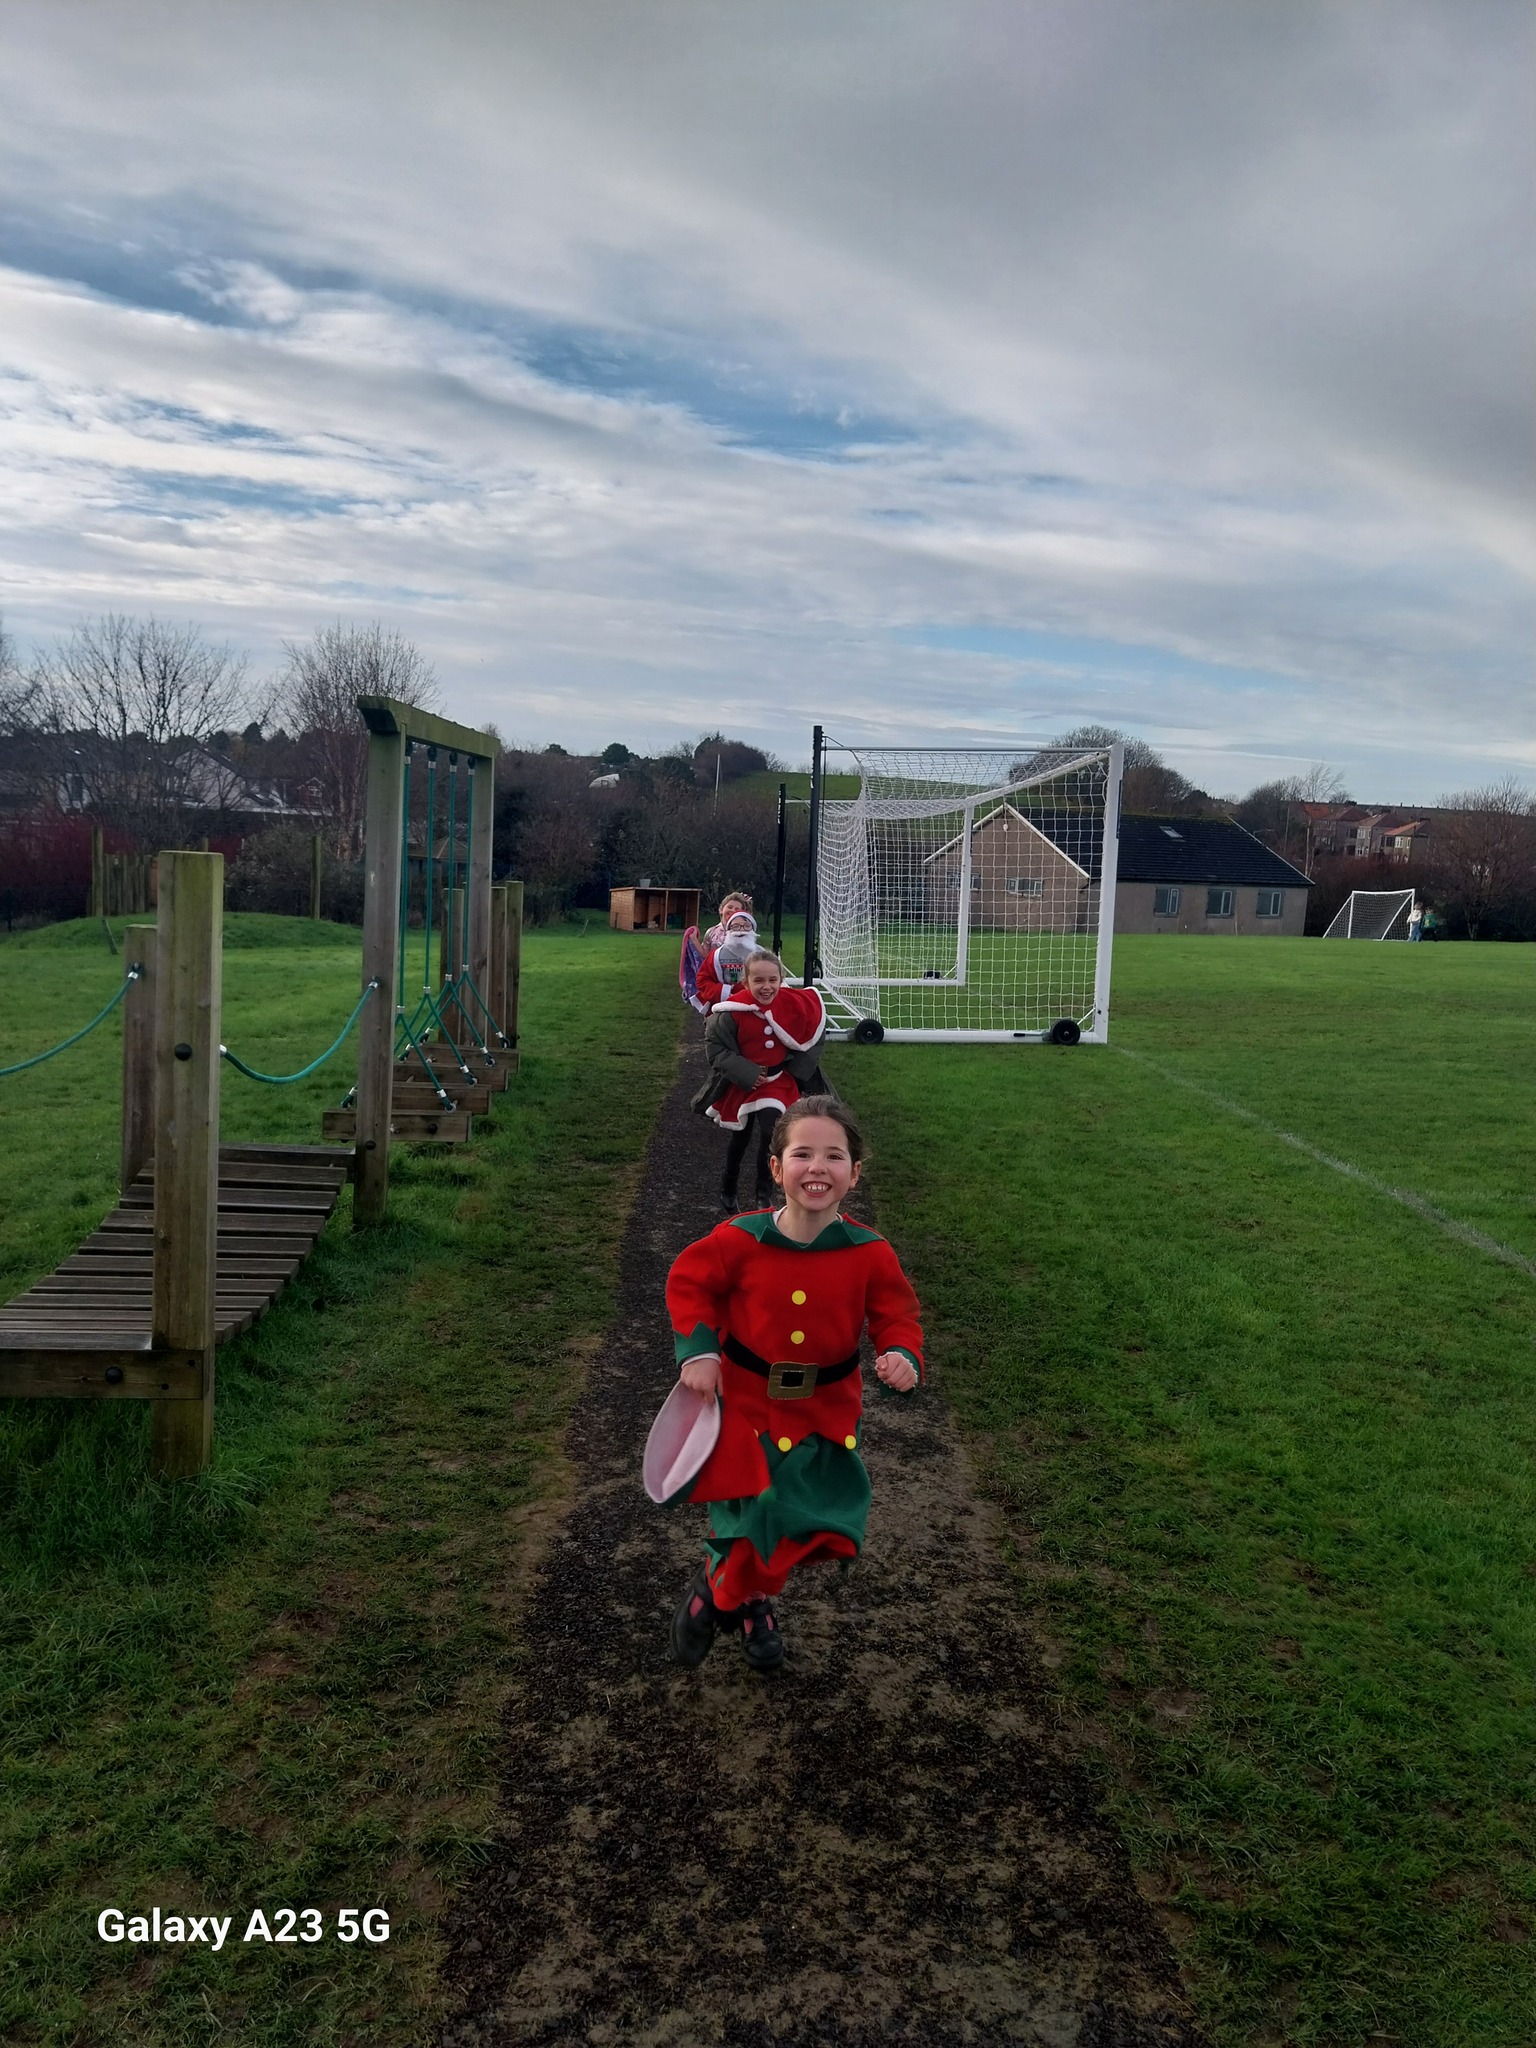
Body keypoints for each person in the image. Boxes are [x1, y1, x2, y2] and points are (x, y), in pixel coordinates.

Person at [662, 1096, 923, 1673]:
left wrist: (901, 1353)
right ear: (777, 1168)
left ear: (854, 1173)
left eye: (834, 1156)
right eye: (802, 1154)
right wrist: (700, 1352)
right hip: (747, 1406)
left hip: (824, 1411)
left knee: (810, 1524)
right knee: (761, 1511)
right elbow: (690, 1283)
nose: (817, 1167)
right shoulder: (739, 1239)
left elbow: (897, 1317)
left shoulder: (871, 1253)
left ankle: (722, 1591)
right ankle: (739, 1603)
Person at [693, 948, 827, 1212]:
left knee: (772, 1131)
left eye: (773, 980)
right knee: (740, 1137)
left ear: (781, 980)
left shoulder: (793, 1004)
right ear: (745, 982)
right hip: (742, 1085)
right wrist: (747, 1072)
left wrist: (797, 1071)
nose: (767, 987)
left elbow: (814, 1034)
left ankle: (763, 1192)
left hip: (777, 1083)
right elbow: (716, 1049)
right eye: (759, 980)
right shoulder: (731, 1011)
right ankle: (728, 1188)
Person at [692, 909, 760, 1012]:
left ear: (753, 929)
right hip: (724, 1008)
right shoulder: (716, 955)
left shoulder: (763, 954)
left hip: (757, 1007)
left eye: (747, 926)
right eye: (736, 926)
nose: (741, 930)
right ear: (728, 930)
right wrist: (725, 992)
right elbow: (702, 981)